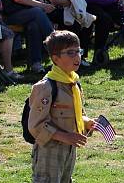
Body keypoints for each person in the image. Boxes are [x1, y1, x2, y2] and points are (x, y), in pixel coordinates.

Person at [28, 30, 96, 183]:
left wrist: (86, 122)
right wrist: (65, 136)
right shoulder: (46, 87)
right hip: (49, 150)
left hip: (69, 148)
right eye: (70, 52)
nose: (77, 56)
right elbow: (36, 125)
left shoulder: (73, 83)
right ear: (55, 58)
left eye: (78, 51)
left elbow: (76, 114)